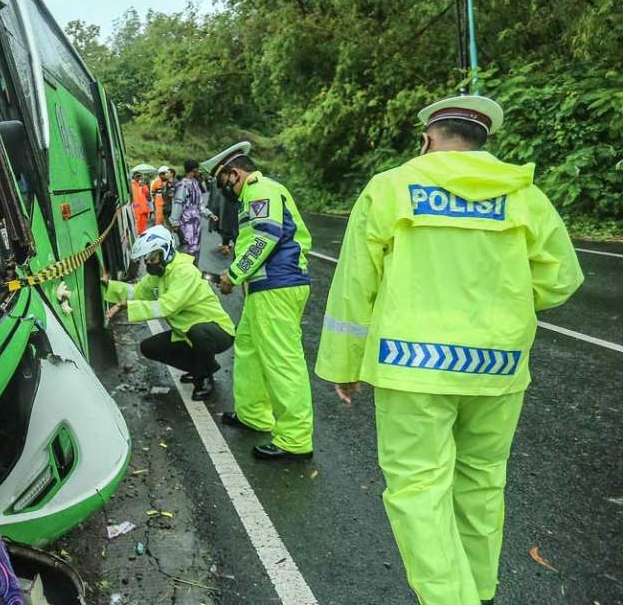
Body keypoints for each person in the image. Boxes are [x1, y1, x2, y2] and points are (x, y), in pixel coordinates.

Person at [315, 95, 583, 605]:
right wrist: (502, 306)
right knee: (481, 486)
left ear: (428, 138)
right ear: (482, 141)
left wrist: (344, 366)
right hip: (498, 366)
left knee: (418, 489)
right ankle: (478, 593)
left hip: (409, 367)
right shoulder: (525, 195)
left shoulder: (391, 188)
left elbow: (353, 286)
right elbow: (561, 280)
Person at [213, 141, 314, 460]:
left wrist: (234, 274)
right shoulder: (253, 195)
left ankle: (296, 439)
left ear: (234, 173)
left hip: (277, 285)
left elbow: (265, 236)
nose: (222, 190)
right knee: (249, 349)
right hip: (265, 288)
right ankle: (254, 415)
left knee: (282, 360)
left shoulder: (259, 189)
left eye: (221, 182)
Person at [103, 226, 235, 400]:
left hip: (217, 331)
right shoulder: (158, 274)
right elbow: (137, 292)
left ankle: (204, 376)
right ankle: (199, 366)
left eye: (152, 258)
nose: (148, 263)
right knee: (149, 347)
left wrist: (128, 306)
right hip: (185, 333)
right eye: (146, 259)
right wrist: (109, 286)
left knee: (199, 333)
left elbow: (167, 306)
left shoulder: (185, 272)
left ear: (165, 252)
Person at [169, 159, 217, 265]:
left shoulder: (195, 183)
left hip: (196, 221)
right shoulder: (183, 185)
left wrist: (209, 214)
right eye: (197, 170)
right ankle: (186, 270)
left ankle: (195, 269)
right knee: (188, 247)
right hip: (186, 221)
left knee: (196, 247)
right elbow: (178, 203)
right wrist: (175, 222)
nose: (198, 172)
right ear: (193, 170)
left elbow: (200, 204)